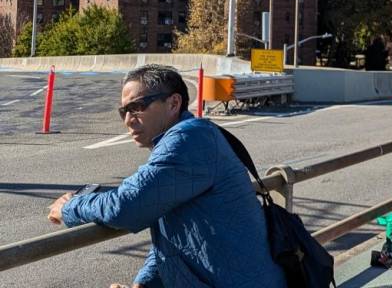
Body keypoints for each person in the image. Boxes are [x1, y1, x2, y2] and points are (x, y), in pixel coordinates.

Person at [46, 64, 286, 288]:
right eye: (124, 111)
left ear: (173, 103)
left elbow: (127, 205)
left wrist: (70, 207)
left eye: (137, 106)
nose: (129, 120)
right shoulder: (192, 137)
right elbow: (175, 233)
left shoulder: (187, 140)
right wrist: (144, 283)